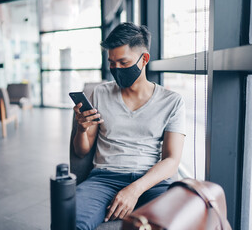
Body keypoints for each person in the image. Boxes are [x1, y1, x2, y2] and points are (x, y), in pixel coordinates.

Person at [73, 22, 186, 230]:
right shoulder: (100, 93)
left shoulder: (172, 101)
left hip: (152, 183)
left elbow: (171, 159)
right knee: (70, 221)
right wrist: (81, 129)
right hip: (104, 179)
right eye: (112, 63)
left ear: (144, 59)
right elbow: (82, 151)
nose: (116, 69)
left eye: (123, 63)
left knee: (170, 224)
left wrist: (134, 189)